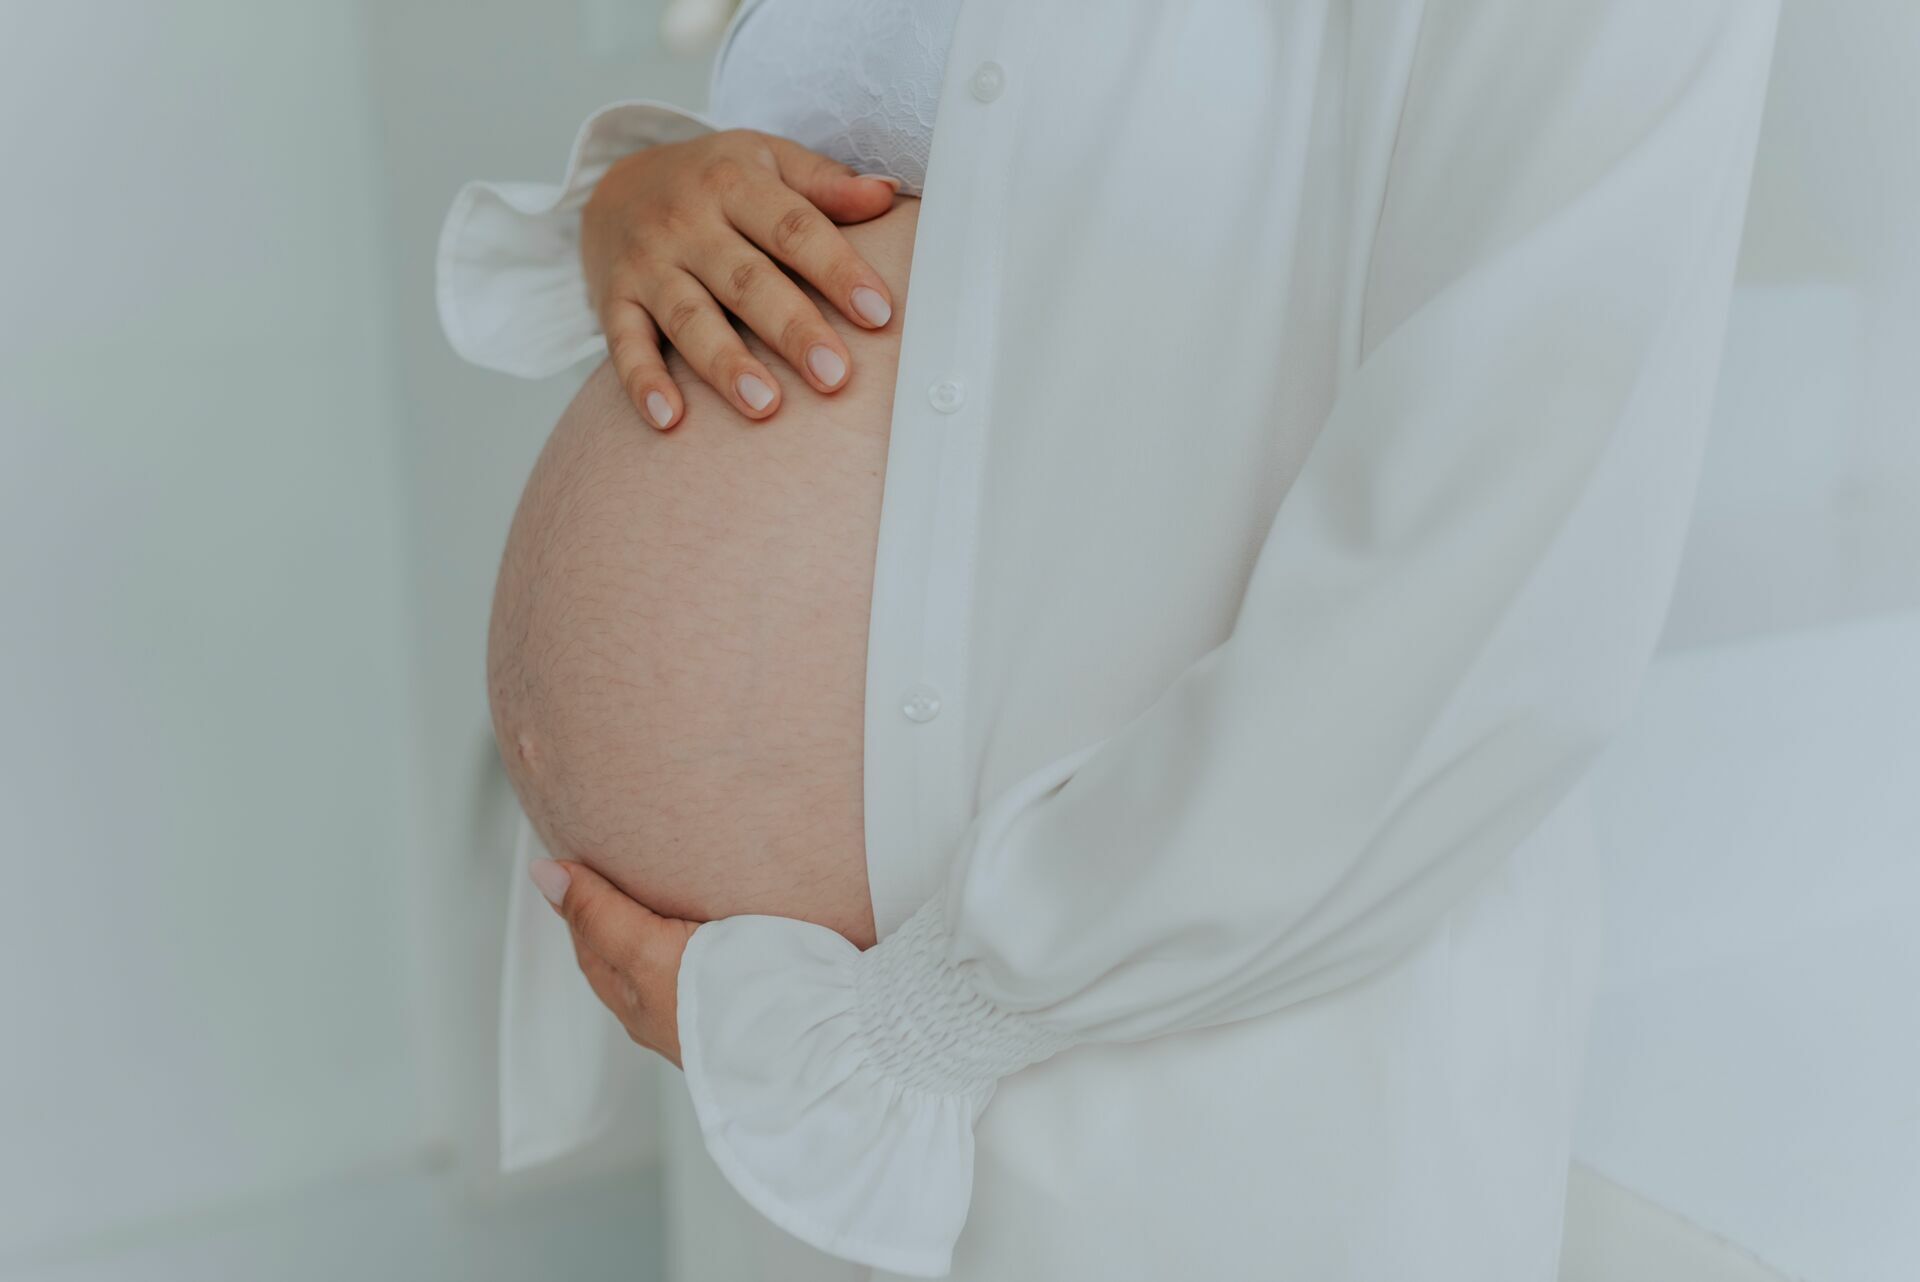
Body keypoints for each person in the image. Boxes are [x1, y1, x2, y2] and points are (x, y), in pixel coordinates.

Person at [436, 1, 1781, 1277]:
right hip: (783, 1070)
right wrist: (641, 202)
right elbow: (990, 213)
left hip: (1153, 1092)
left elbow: (1489, 585)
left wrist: (914, 1025)